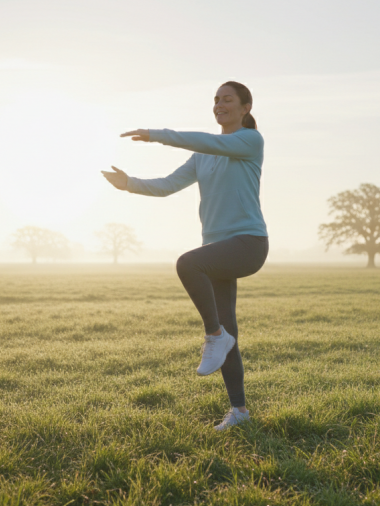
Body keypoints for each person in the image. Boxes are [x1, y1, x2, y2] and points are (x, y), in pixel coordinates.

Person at [102, 81, 268, 431]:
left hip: (248, 242)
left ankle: (213, 336)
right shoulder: (202, 155)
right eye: (216, 100)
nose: (220, 105)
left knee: (188, 263)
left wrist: (156, 134)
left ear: (245, 108)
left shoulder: (250, 141)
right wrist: (129, 183)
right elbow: (166, 185)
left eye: (228, 100)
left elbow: (207, 141)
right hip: (218, 249)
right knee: (230, 330)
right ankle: (239, 410)